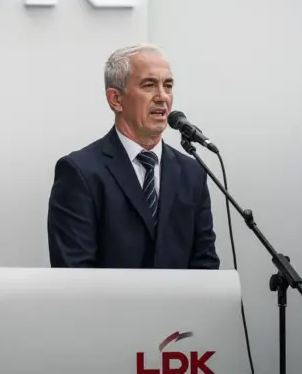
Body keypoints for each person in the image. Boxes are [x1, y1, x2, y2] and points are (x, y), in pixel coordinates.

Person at [47, 43, 219, 269]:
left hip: (180, 295)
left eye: (168, 85)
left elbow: (205, 264)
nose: (162, 97)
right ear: (116, 99)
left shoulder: (192, 172)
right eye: (149, 85)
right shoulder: (80, 172)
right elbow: (74, 272)